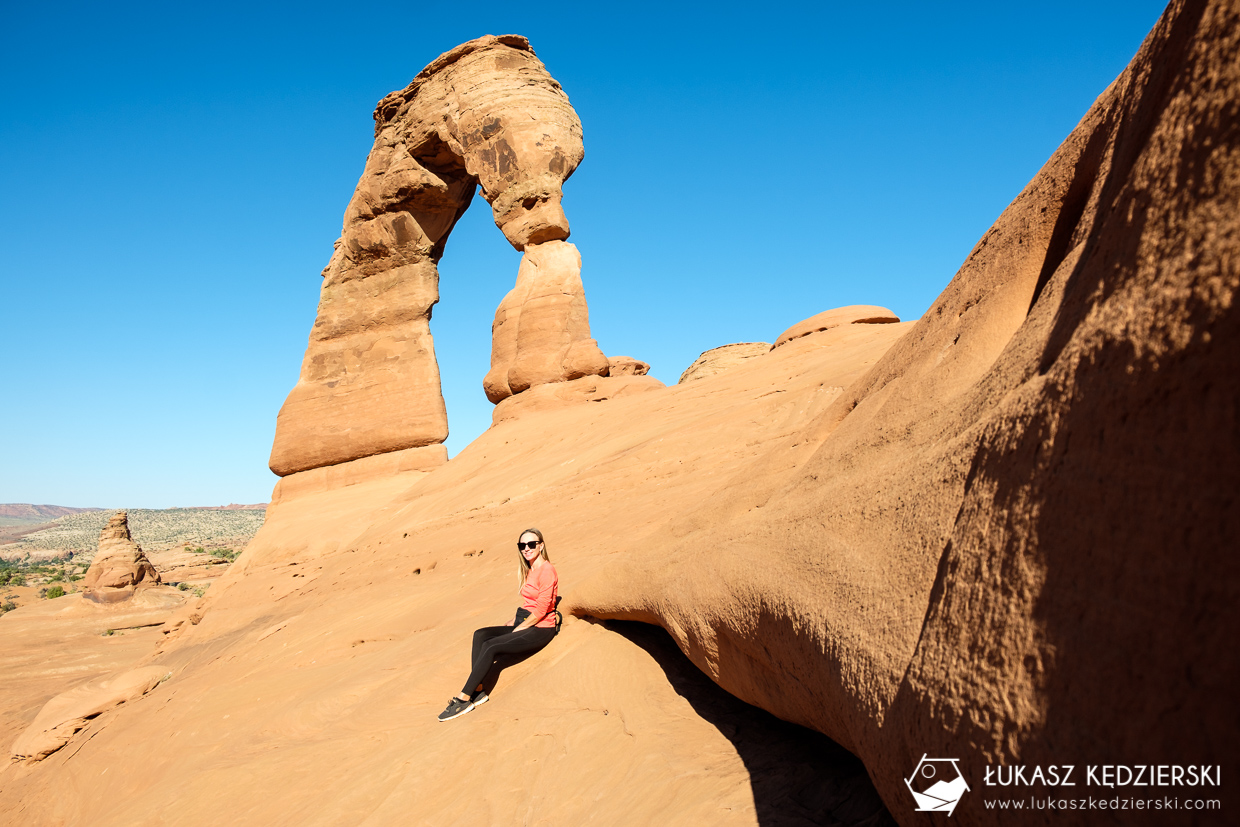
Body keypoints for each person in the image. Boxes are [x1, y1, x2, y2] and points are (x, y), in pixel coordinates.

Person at [438, 528, 559, 722]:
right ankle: (478, 689)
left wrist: (521, 628)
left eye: (531, 544)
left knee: (491, 646)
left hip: (541, 628)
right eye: (522, 545)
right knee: (480, 634)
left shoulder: (547, 571)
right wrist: (514, 621)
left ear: (541, 545)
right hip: (525, 620)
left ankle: (463, 699)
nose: (526, 549)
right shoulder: (530, 569)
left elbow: (542, 609)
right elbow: (529, 603)